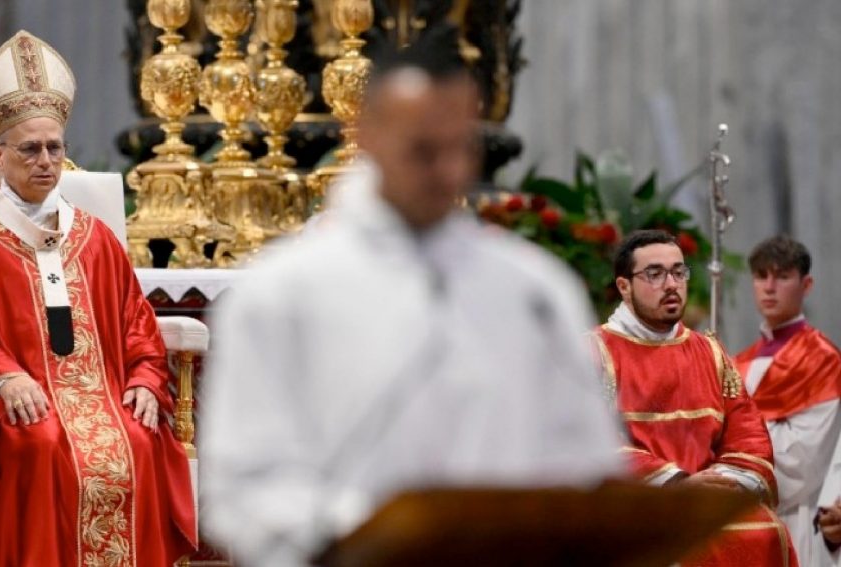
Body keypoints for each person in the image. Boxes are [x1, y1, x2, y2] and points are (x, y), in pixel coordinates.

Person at [199, 28, 625, 567]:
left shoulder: (532, 292)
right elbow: (242, 485)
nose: (450, 172)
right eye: (424, 151)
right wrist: (373, 530)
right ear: (368, 136)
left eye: (462, 148)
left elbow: (585, 464)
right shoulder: (283, 291)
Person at [0, 31, 196, 566]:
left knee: (140, 439)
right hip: (2, 396)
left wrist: (146, 378)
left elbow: (135, 320)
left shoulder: (94, 236)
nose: (45, 161)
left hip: (99, 395)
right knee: (40, 441)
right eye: (30, 149)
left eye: (55, 148)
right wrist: (7, 376)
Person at [592, 229, 797, 566]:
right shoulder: (595, 352)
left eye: (678, 272)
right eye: (655, 274)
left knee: (764, 531)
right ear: (624, 286)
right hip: (636, 503)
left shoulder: (709, 352)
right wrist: (676, 483)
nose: (671, 284)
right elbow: (589, 439)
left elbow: (747, 433)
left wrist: (720, 483)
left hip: (709, 502)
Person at [733, 234, 841, 565]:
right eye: (761, 276)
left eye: (782, 276)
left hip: (795, 519)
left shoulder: (821, 359)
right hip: (741, 522)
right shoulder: (737, 363)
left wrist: (731, 457)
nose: (769, 287)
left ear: (806, 285)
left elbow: (803, 463)